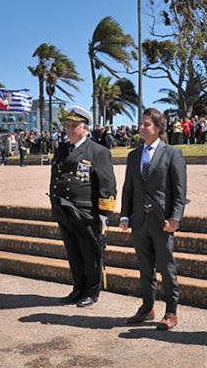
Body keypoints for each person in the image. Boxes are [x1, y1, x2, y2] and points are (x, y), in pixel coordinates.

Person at [119, 108, 187, 329]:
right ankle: (147, 307)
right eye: (141, 123)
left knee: (166, 268)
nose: (142, 127)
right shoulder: (133, 156)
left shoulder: (172, 154)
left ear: (158, 128)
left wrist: (175, 218)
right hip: (139, 221)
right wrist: (125, 215)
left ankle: (171, 312)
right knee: (145, 268)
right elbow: (128, 189)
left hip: (162, 221)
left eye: (147, 124)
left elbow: (179, 191)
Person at [49, 106, 117, 308]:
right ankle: (78, 288)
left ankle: (91, 291)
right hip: (64, 211)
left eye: (72, 126)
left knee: (90, 253)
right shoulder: (62, 149)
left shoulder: (98, 151)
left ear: (85, 128)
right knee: (73, 253)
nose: (68, 130)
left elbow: (107, 185)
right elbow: (56, 177)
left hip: (85, 212)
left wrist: (104, 215)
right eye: (67, 126)